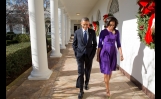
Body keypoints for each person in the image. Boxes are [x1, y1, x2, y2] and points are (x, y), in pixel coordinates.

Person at [96, 16, 124, 98]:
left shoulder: (117, 32)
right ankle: (108, 89)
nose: (112, 26)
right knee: (106, 72)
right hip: (104, 53)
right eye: (110, 25)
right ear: (107, 24)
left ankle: (106, 82)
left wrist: (121, 54)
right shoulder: (103, 32)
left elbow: (118, 44)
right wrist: (98, 56)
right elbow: (100, 45)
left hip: (113, 53)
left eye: (113, 25)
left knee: (110, 71)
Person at [73, 17, 97, 99]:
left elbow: (95, 44)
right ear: (81, 24)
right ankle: (80, 91)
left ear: (89, 24)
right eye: (84, 24)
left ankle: (86, 83)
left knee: (87, 71)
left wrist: (93, 54)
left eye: (87, 24)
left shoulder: (92, 32)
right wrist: (76, 53)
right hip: (80, 56)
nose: (85, 26)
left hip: (89, 56)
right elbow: (74, 44)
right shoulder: (77, 32)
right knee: (80, 73)